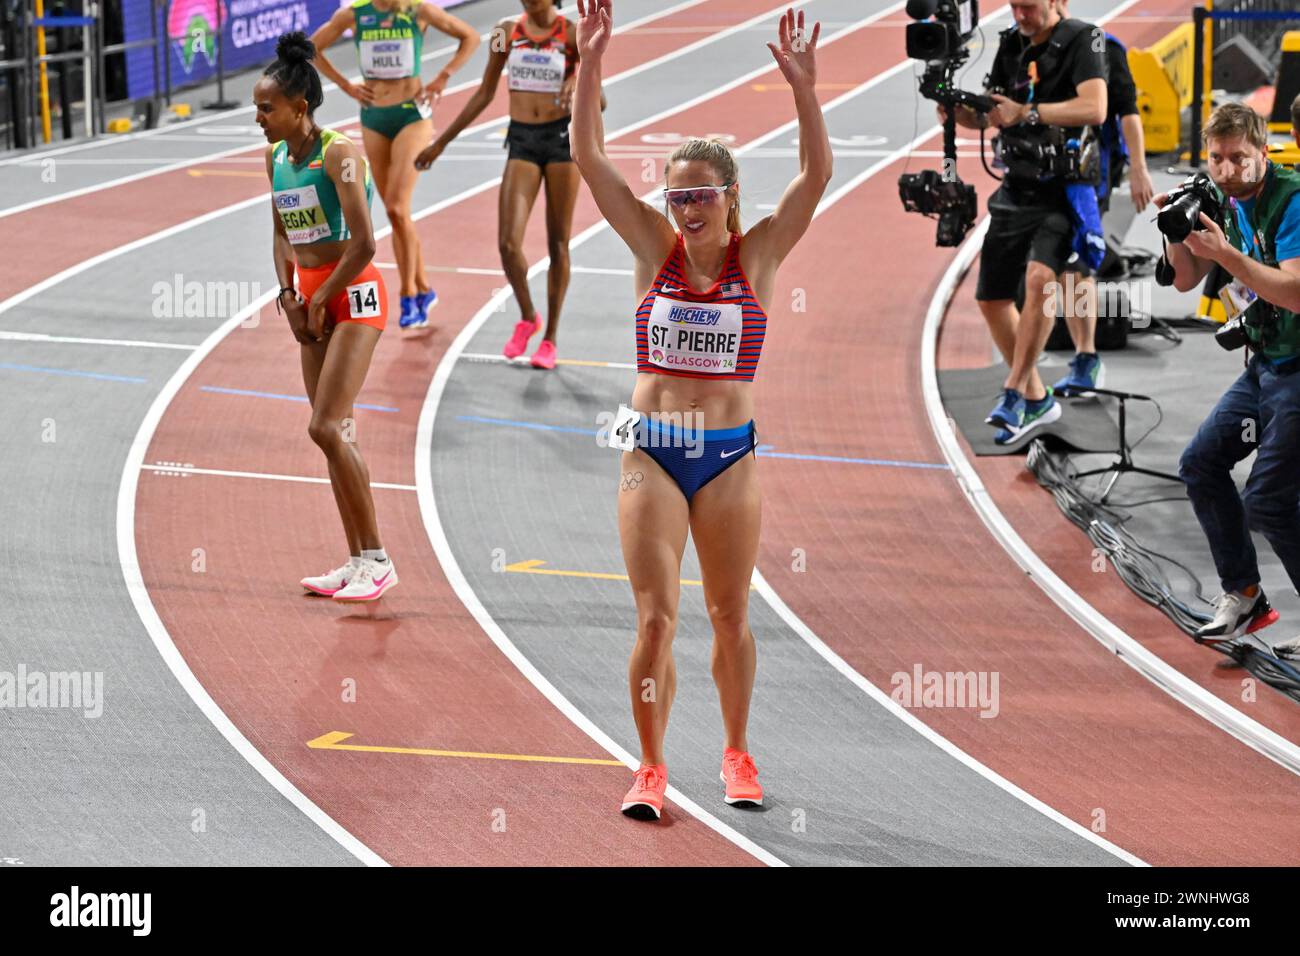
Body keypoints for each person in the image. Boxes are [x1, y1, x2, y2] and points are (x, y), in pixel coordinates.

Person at [570, 0, 832, 819]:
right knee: (655, 618)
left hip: (728, 454)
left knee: (728, 615)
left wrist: (804, 91)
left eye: (702, 196)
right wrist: (589, 62)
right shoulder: (654, 247)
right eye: (677, 197)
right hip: (651, 446)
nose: (687, 210)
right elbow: (587, 157)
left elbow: (815, 177)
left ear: (728, 195)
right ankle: (649, 767)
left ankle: (736, 751)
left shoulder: (760, 253)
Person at [258, 32, 398, 602]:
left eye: (267, 108)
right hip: (311, 297)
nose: (259, 118)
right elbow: (279, 232)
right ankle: (359, 558)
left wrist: (321, 298)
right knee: (334, 434)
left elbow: (364, 242)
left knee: (324, 425)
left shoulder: (338, 153)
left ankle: (380, 559)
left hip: (354, 293)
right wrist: (288, 295)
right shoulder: (274, 159)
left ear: (300, 107)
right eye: (256, 109)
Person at [1158, 103, 1300, 644]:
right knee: (1201, 463)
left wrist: (1228, 256)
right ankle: (1244, 596)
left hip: (1297, 369)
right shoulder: (1226, 199)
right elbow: (1185, 281)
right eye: (1216, 158)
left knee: (1268, 502)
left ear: (1263, 152)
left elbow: (1293, 291)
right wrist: (1177, 229)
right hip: (1269, 364)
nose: (1226, 169)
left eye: (1239, 158)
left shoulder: (1291, 200)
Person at [945, 0, 1106, 443]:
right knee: (992, 298)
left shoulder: (1084, 38)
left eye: (1029, 6)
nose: (1020, 14)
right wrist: (958, 112)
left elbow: (1095, 108)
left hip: (1064, 188)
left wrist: (1029, 113)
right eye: (1014, 5)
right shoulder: (1010, 44)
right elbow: (994, 112)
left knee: (1040, 281)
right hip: (1017, 186)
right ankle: (1037, 399)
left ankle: (1014, 390)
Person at [415, 0, 593, 369]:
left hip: (561, 141)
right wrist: (440, 143)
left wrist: (578, 80)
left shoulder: (573, 34)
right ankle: (529, 316)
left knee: (557, 243)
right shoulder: (504, 33)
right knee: (508, 243)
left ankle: (550, 339)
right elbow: (484, 92)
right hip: (522, 140)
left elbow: (600, 99)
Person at [310, 0, 479, 330]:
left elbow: (471, 36)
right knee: (396, 214)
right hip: (373, 117)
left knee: (398, 209)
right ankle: (425, 289)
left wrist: (443, 76)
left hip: (412, 115)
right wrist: (345, 86)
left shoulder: (417, 11)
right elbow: (313, 47)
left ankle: (408, 294)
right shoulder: (355, 15)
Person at [1051, 0, 1154, 396]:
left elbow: (1127, 111)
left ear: (1059, 3)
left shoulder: (1103, 48)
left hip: (1089, 175)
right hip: (1036, 175)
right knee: (1050, 269)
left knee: (1076, 263)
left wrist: (1140, 169)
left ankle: (1086, 356)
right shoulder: (1022, 48)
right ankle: (1045, 370)